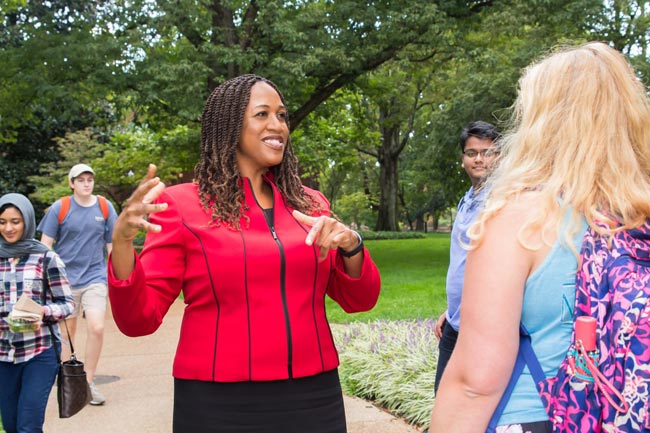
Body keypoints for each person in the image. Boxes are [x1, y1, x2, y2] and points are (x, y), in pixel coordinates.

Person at [108, 74, 381, 433]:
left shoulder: (312, 205)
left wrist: (352, 246)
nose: (278, 125)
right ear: (229, 126)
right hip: (219, 400)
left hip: (313, 394)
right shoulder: (181, 205)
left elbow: (359, 300)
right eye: (262, 114)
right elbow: (139, 320)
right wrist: (123, 244)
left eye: (282, 116)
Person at [429, 41, 650, 432]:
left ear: (541, 120)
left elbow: (475, 383)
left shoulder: (520, 219)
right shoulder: (640, 212)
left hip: (540, 413)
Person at [37, 164, 118, 405]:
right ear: (71, 183)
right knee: (66, 333)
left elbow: (111, 245)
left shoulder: (104, 207)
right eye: (80, 179)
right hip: (65, 281)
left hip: (95, 277)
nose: (86, 183)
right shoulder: (60, 208)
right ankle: (68, 382)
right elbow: (45, 245)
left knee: (96, 328)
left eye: (89, 179)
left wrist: (114, 276)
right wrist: (46, 278)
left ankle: (88, 382)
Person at [433, 120, 500, 393]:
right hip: (455, 324)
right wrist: (452, 311)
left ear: (500, 157)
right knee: (443, 398)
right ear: (463, 159)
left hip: (484, 327)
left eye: (487, 152)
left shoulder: (502, 202)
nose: (479, 159)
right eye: (472, 153)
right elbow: (462, 262)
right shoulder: (467, 199)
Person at [0, 193, 75, 433]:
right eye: (2, 222)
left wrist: (41, 312)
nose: (9, 228)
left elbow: (67, 304)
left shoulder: (46, 257)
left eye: (15, 221)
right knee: (10, 426)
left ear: (27, 222)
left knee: (28, 427)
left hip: (39, 353)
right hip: (3, 356)